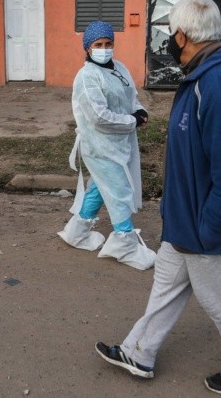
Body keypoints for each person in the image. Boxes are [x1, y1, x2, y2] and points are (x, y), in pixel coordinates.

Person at [95, 0, 221, 395]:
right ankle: (138, 351)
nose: (168, 42)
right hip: (188, 218)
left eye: (170, 34)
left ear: (183, 34)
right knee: (166, 284)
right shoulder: (203, 72)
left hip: (213, 224)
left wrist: (210, 232)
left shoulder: (218, 85)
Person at [57, 20, 156, 271]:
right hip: (100, 145)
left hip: (121, 141)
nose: (104, 48)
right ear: (88, 48)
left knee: (102, 187)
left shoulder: (119, 68)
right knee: (120, 190)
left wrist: (139, 110)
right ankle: (124, 245)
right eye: (98, 44)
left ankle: (76, 232)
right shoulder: (86, 77)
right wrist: (131, 121)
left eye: (108, 43)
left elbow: (130, 96)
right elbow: (99, 117)